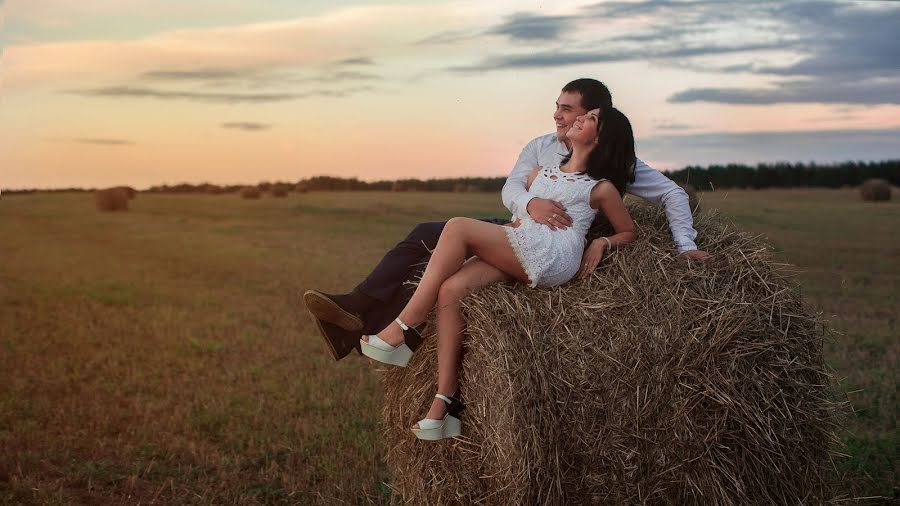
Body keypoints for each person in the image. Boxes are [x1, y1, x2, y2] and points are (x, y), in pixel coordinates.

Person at [303, 78, 711, 362]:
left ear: (593, 117)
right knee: (426, 238)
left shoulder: (614, 158)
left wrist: (685, 245)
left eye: (567, 110)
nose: (556, 115)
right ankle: (361, 314)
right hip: (518, 223)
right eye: (556, 107)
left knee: (447, 239)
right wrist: (529, 206)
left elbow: (673, 194)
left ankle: (378, 327)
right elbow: (511, 188)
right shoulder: (541, 146)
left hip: (556, 244)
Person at [360, 106, 637, 440]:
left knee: (458, 227)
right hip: (523, 240)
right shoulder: (543, 171)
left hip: (554, 255)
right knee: (451, 290)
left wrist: (601, 243)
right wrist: (525, 213)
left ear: (602, 137)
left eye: (590, 118)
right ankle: (445, 405)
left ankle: (406, 326)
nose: (578, 118)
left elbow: (628, 231)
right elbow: (519, 202)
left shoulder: (601, 188)